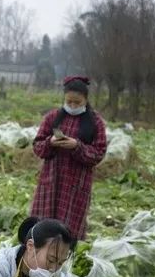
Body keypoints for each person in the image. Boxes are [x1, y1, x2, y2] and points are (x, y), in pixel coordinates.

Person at [31, 75, 107, 239]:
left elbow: (99, 153)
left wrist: (77, 146)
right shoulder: (52, 118)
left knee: (69, 234)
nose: (72, 106)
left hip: (76, 186)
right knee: (44, 231)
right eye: (69, 101)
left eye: (77, 102)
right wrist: (50, 142)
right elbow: (37, 147)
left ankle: (67, 262)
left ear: (86, 100)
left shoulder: (96, 122)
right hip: (51, 181)